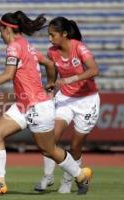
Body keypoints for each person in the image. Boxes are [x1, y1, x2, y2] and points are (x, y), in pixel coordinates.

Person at [0, 11, 92, 195]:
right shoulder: (27, 45)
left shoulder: (13, 47)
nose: (1, 35)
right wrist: (49, 86)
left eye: (0, 31)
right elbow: (50, 64)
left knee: (49, 150)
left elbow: (9, 74)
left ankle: (81, 175)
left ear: (6, 29)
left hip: (37, 106)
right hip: (23, 105)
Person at [34, 16, 100, 194]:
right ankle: (47, 177)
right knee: (50, 138)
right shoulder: (52, 51)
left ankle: (68, 179)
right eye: (49, 35)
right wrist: (50, 86)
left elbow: (94, 70)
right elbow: (53, 71)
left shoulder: (79, 47)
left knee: (76, 146)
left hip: (87, 101)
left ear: (64, 34)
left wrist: (72, 78)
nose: (50, 39)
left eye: (53, 35)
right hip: (65, 99)